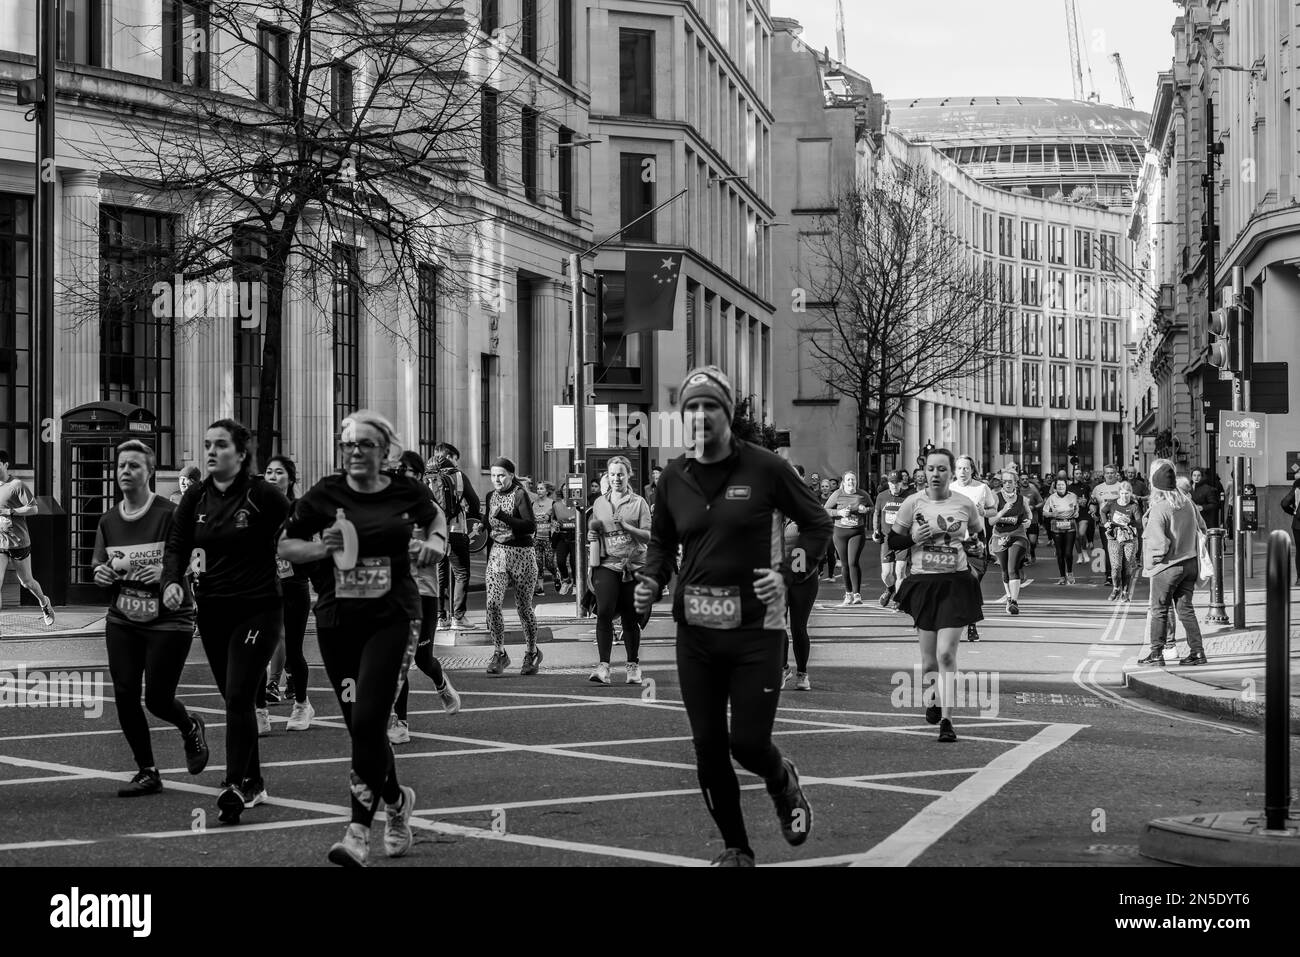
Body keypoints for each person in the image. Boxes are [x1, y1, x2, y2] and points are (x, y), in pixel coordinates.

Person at [634, 366, 831, 867]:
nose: (701, 416)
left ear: (728, 414)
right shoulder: (674, 477)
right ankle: (737, 848)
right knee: (707, 747)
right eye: (692, 408)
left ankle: (781, 778)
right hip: (696, 631)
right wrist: (652, 579)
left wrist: (787, 573)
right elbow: (661, 542)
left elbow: (817, 522)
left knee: (746, 743)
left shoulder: (765, 468)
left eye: (711, 407)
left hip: (756, 628)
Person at [278, 410, 444, 866]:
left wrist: (436, 545)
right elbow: (287, 546)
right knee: (361, 728)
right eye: (347, 443)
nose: (354, 451)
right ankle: (396, 802)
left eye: (364, 444)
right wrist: (322, 549)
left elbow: (437, 524)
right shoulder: (325, 494)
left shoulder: (404, 489)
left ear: (384, 450)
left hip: (393, 616)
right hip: (337, 619)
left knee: (370, 721)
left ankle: (357, 833)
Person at [162, 419, 289, 825]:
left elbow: (298, 529)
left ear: (240, 452)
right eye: (207, 444)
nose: (211, 451)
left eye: (220, 445)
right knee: (233, 697)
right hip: (214, 611)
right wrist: (170, 581)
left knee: (238, 695)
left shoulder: (262, 495)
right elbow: (178, 543)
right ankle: (254, 779)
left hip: (259, 608)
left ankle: (235, 784)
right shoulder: (196, 496)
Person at [94, 439, 209, 797]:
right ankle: (147, 770)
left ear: (150, 473)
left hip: (169, 619)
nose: (125, 471)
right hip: (124, 618)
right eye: (121, 466)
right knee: (125, 694)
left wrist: (165, 570)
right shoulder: (109, 520)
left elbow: (197, 558)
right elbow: (99, 565)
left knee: (158, 700)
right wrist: (100, 574)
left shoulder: (168, 515)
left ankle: (190, 726)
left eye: (134, 466)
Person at [887, 448, 986, 744]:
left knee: (946, 655)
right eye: (931, 469)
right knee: (929, 662)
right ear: (924, 472)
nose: (936, 474)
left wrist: (978, 549)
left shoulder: (965, 504)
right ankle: (932, 698)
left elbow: (978, 538)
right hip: (923, 585)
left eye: (942, 469)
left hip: (955, 583)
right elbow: (893, 540)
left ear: (951, 472)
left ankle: (947, 720)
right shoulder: (911, 503)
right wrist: (912, 539)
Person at [389, 451, 460, 745]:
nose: (399, 475)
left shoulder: (431, 511)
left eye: (406, 470)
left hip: (424, 593)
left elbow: (439, 551)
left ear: (418, 476)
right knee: (399, 661)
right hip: (394, 594)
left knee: (422, 658)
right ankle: (400, 721)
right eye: (396, 470)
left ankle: (441, 684)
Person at [587, 456, 652, 685]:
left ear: (629, 475)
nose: (616, 478)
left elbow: (647, 536)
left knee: (630, 617)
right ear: (608, 476)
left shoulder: (639, 502)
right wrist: (592, 535)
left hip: (634, 566)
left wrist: (625, 526)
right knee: (604, 611)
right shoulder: (600, 503)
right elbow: (596, 531)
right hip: (607, 564)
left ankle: (632, 666)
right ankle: (603, 667)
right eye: (612, 474)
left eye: (621, 473)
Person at [1138, 460, 1209, 667]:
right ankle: (1197, 652)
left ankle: (1156, 654)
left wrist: (1151, 565)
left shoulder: (1159, 509)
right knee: (1186, 609)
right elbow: (1202, 528)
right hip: (1190, 564)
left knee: (1159, 609)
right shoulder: (1188, 503)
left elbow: (1159, 545)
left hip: (1167, 567)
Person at [262, 455, 315, 731]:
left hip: (293, 585)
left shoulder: (298, 510)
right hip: (261, 587)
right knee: (257, 649)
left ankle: (302, 705)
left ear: (290, 479)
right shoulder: (256, 509)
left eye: (279, 472)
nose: (272, 476)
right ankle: (260, 709)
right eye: (269, 472)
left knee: (294, 650)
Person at [482, 457, 542, 676]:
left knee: (524, 608)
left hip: (523, 557)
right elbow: (488, 519)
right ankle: (499, 652)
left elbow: (529, 526)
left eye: (501, 475)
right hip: (498, 556)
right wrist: (480, 526)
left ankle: (531, 652)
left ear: (510, 475)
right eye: (493, 476)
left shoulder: (519, 495)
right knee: (493, 604)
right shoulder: (490, 497)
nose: (496, 480)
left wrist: (505, 517)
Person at [0, 450, 56, 627]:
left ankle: (44, 602)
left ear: (5, 464)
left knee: (27, 582)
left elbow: (34, 509)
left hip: (19, 542)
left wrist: (11, 512)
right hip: (1, 542)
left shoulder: (17, 485)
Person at [430, 443, 481, 631]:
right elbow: (474, 503)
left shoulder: (427, 477)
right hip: (456, 531)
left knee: (439, 574)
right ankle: (458, 617)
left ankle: (439, 617)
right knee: (461, 573)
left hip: (435, 533)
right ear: (450, 457)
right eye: (456, 458)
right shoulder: (458, 476)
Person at [950, 455, 997, 642]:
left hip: (976, 541)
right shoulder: (948, 489)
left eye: (966, 468)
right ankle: (967, 626)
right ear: (955, 471)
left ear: (972, 470)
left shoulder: (982, 488)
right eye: (959, 468)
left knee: (973, 582)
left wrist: (983, 511)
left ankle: (970, 621)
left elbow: (993, 510)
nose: (963, 472)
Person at [823, 470, 872, 606]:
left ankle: (857, 595)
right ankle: (848, 593)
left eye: (853, 480)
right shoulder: (837, 494)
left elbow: (873, 507)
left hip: (856, 532)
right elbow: (825, 509)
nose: (851, 482)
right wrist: (839, 512)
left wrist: (865, 510)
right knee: (844, 564)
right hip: (840, 533)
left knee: (853, 562)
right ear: (844, 483)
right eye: (849, 480)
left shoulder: (862, 494)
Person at [989, 469, 1032, 615]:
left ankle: (1014, 602)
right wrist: (1003, 511)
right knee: (1005, 570)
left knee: (1012, 567)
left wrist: (1029, 521)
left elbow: (1029, 513)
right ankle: (1009, 597)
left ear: (1015, 483)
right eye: (1005, 481)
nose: (1007, 484)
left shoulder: (1022, 499)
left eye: (1010, 481)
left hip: (1018, 534)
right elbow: (991, 521)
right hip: (999, 535)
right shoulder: (995, 497)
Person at [872, 471, 912, 607]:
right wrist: (875, 530)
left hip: (903, 538)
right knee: (886, 574)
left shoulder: (909, 497)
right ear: (888, 483)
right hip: (887, 539)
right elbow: (876, 513)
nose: (894, 486)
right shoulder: (882, 496)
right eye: (891, 483)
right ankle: (890, 589)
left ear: (902, 483)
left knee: (900, 571)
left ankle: (898, 599)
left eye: (897, 483)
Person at [1101, 481, 1143, 602]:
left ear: (1130, 493)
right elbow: (1103, 512)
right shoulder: (1112, 504)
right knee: (1116, 566)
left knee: (1127, 565)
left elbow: (1140, 524)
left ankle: (1125, 592)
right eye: (1122, 493)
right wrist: (1106, 523)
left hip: (1129, 538)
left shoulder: (1134, 506)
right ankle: (1116, 588)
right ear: (1119, 493)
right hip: (1114, 537)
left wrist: (1129, 521)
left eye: (1127, 493)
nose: (1124, 496)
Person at [1090, 465, 1124, 588]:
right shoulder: (1098, 489)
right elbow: (1092, 504)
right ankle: (1109, 575)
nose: (1110, 475)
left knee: (1120, 549)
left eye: (1112, 473)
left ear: (1116, 474)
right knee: (1108, 549)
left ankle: (1121, 572)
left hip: (1121, 524)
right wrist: (1093, 512)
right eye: (1107, 473)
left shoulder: (1122, 487)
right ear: (1104, 475)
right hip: (1105, 524)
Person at [1042, 477, 1080, 585]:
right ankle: (1062, 576)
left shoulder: (1072, 496)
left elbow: (1076, 508)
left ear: (1066, 485)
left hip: (1069, 524)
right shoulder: (1052, 498)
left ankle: (1070, 572)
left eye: (1062, 485)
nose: (1060, 487)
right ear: (1055, 487)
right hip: (1057, 525)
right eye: (1058, 485)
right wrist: (1052, 514)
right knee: (1060, 553)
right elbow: (1044, 512)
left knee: (1068, 553)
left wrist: (1077, 512)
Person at [530, 481, 562, 597]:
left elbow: (557, 520)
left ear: (547, 491)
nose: (539, 491)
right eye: (538, 489)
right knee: (538, 563)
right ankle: (540, 588)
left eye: (541, 489)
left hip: (548, 539)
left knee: (549, 563)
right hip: (536, 538)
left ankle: (556, 574)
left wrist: (553, 522)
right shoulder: (533, 504)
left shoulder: (553, 504)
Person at [550, 488, 578, 594]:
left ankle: (576, 584)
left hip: (576, 536)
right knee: (560, 561)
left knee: (574, 563)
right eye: (564, 489)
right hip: (562, 535)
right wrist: (554, 523)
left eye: (568, 489)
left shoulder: (578, 503)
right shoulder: (556, 505)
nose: (566, 491)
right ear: (562, 491)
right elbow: (552, 519)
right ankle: (566, 581)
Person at [1067, 469, 1094, 565]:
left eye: (1080, 473)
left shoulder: (1086, 486)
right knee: (1076, 536)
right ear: (1072, 475)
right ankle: (1079, 555)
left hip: (1084, 513)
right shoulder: (1068, 487)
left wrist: (1087, 502)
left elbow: (1091, 499)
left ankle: (1085, 552)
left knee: (1082, 534)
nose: (1079, 475)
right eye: (1076, 473)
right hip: (1072, 514)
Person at [1280, 476, 1300, 585]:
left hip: (1298, 524)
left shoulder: (1298, 484)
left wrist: (1293, 512)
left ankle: (1299, 579)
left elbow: (1284, 503)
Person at [1020, 475, 1044, 562]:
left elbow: (1041, 502)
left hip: (1032, 520)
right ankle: (1026, 556)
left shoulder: (1033, 490)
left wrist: (1034, 507)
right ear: (1020, 481)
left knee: (1032, 542)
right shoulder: (1016, 491)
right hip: (1021, 521)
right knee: (1023, 541)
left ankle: (1032, 551)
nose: (1025, 481)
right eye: (1022, 479)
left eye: (1026, 479)